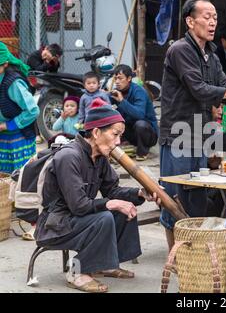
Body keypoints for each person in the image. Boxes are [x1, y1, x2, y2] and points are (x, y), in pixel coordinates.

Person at [159, 0, 226, 250]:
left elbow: (223, 88)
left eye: (215, 17)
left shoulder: (212, 55)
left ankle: (193, 253)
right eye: (207, 16)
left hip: (200, 137)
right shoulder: (180, 50)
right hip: (177, 137)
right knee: (174, 198)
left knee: (196, 200)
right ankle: (176, 257)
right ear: (190, 22)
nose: (213, 22)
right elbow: (201, 90)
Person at [34, 98, 162, 293]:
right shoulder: (69, 157)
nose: (119, 142)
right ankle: (77, 271)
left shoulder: (100, 157)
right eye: (115, 134)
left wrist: (139, 194)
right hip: (55, 225)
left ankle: (104, 264)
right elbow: (79, 206)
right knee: (104, 216)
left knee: (123, 208)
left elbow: (113, 191)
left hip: (76, 218)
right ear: (96, 132)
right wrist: (112, 204)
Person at [0, 42, 39, 174]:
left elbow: (33, 110)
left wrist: (7, 125)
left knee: (20, 177)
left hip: (19, 138)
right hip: (3, 137)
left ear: (5, 64)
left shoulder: (14, 83)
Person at [110, 64, 159, 161]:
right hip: (130, 132)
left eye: (120, 78)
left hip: (148, 134)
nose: (117, 82)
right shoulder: (116, 92)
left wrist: (122, 101)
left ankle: (142, 152)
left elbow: (139, 115)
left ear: (129, 78)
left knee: (140, 124)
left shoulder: (139, 91)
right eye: (115, 79)